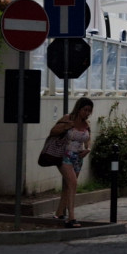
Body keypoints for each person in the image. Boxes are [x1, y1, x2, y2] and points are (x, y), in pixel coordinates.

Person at [50, 97, 93, 228]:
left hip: (78, 157)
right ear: (79, 108)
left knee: (68, 186)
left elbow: (88, 139)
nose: (87, 113)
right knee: (73, 183)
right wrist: (67, 126)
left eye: (89, 111)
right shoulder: (68, 118)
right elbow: (53, 131)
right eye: (85, 110)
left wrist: (88, 149)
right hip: (65, 155)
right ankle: (71, 217)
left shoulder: (86, 124)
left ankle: (59, 213)